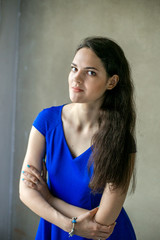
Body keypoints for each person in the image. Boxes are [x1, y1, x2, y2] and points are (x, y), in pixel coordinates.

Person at [19, 36, 137, 240]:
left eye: (90, 72)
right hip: (55, 229)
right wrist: (69, 225)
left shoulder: (121, 140)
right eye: (74, 68)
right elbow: (26, 191)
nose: (77, 78)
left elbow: (102, 222)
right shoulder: (47, 121)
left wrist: (49, 198)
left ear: (112, 81)